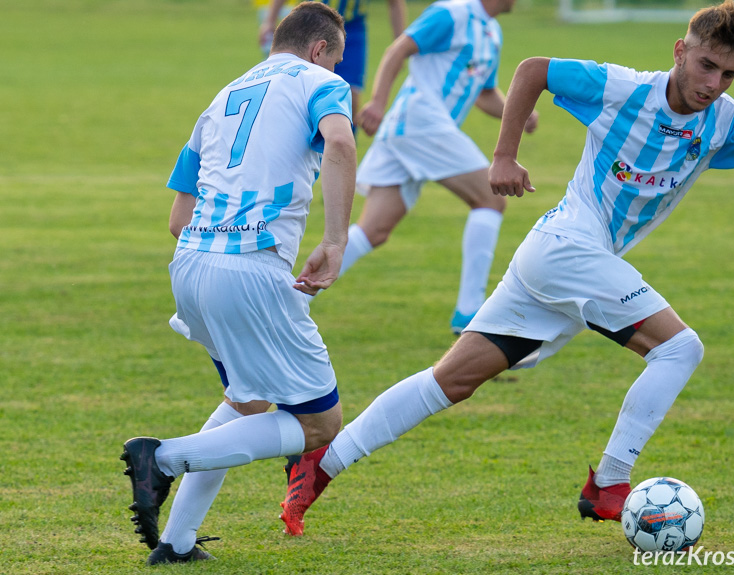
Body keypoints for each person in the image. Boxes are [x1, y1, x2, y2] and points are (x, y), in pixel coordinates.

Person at [277, 0, 734, 537]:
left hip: (560, 260)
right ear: (680, 51)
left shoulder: (726, 123)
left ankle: (320, 465)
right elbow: (534, 71)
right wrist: (502, 155)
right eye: (706, 65)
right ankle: (610, 485)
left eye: (729, 74)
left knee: (451, 380)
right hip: (566, 248)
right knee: (680, 348)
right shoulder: (626, 90)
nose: (714, 83)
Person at [120, 2, 357, 565]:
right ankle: (166, 458)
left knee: (246, 401)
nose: (338, 69)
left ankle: (175, 544)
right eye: (337, 59)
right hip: (249, 267)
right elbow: (343, 144)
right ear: (320, 49)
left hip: (191, 264)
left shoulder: (223, 95)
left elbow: (178, 218)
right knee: (321, 424)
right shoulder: (319, 81)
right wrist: (336, 240)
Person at [316, 0, 538, 334]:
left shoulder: (492, 31)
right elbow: (398, 50)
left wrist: (519, 113)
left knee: (373, 230)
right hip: (421, 122)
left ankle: (293, 299)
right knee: (491, 199)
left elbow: (485, 92)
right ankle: (469, 314)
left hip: (415, 131)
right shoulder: (451, 13)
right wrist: (377, 100)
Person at [260, 0, 407, 115]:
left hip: (352, 26)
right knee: (303, 86)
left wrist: (400, 43)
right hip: (311, 23)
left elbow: (395, 3)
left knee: (350, 98)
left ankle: (340, 146)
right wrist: (270, 21)